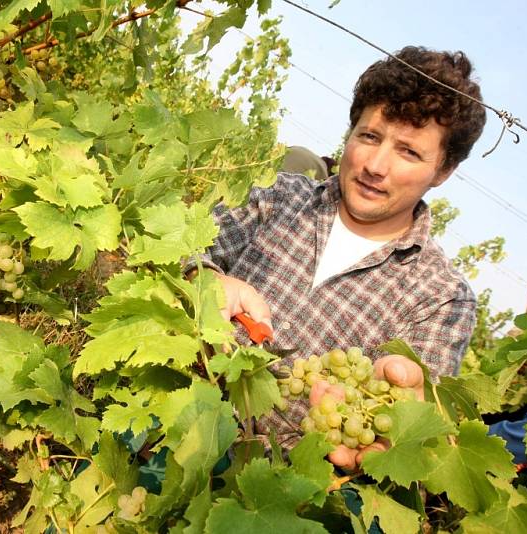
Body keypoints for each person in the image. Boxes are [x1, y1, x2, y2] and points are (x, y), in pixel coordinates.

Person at [198, 46, 487, 468]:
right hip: (174, 425)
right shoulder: (280, 198)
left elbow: (415, 420)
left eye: (409, 152)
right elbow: (187, 245)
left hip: (279, 490)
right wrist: (206, 277)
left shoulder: (442, 298)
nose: (375, 164)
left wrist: (400, 412)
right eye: (369, 137)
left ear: (443, 171)